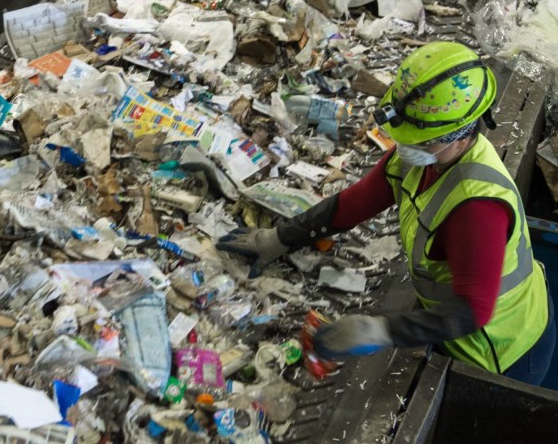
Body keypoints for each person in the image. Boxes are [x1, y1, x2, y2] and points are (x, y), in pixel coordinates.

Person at [217, 42, 555, 386]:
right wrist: (279, 238)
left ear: (461, 135)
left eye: (421, 140)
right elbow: (353, 203)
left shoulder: (476, 206)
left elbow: (472, 311)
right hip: (464, 325)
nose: (406, 146)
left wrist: (378, 330)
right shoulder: (426, 157)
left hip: (505, 351)